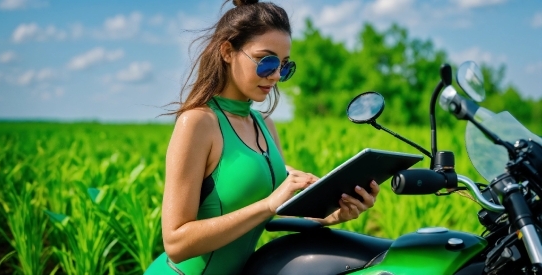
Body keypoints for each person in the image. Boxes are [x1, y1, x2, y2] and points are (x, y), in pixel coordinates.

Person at [145, 0, 380, 274]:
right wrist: (268, 204)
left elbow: (276, 214)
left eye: (284, 66)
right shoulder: (198, 123)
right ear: (227, 51)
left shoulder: (264, 124)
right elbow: (176, 242)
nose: (276, 75)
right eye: (266, 61)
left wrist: (332, 215)